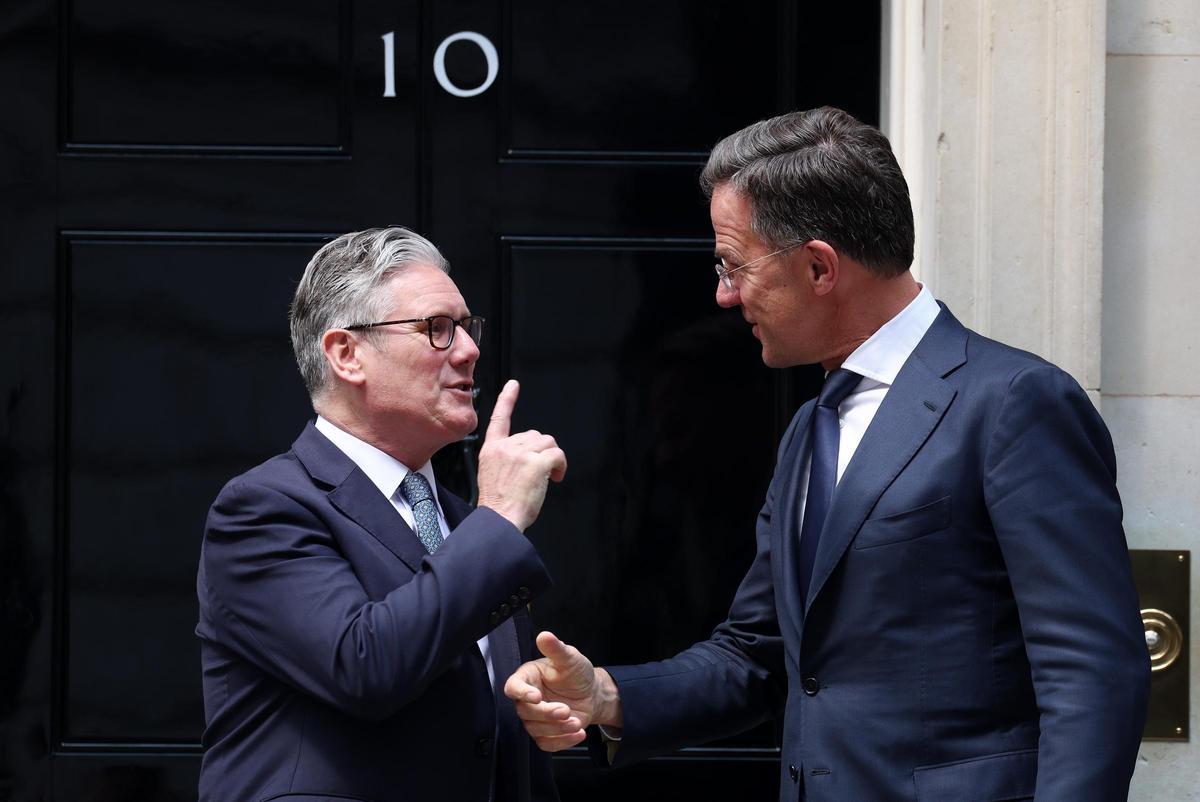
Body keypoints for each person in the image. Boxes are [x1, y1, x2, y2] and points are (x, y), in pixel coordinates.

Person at [504, 107, 1150, 801]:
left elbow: (1091, 673)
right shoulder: (812, 427)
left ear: (818, 267)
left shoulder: (1015, 403)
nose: (723, 294)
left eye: (733, 264)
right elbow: (756, 655)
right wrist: (604, 695)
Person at [196, 227, 567, 802]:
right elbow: (365, 668)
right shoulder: (262, 509)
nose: (469, 350)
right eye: (436, 328)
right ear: (347, 354)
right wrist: (498, 518)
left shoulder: (468, 524)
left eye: (466, 327)